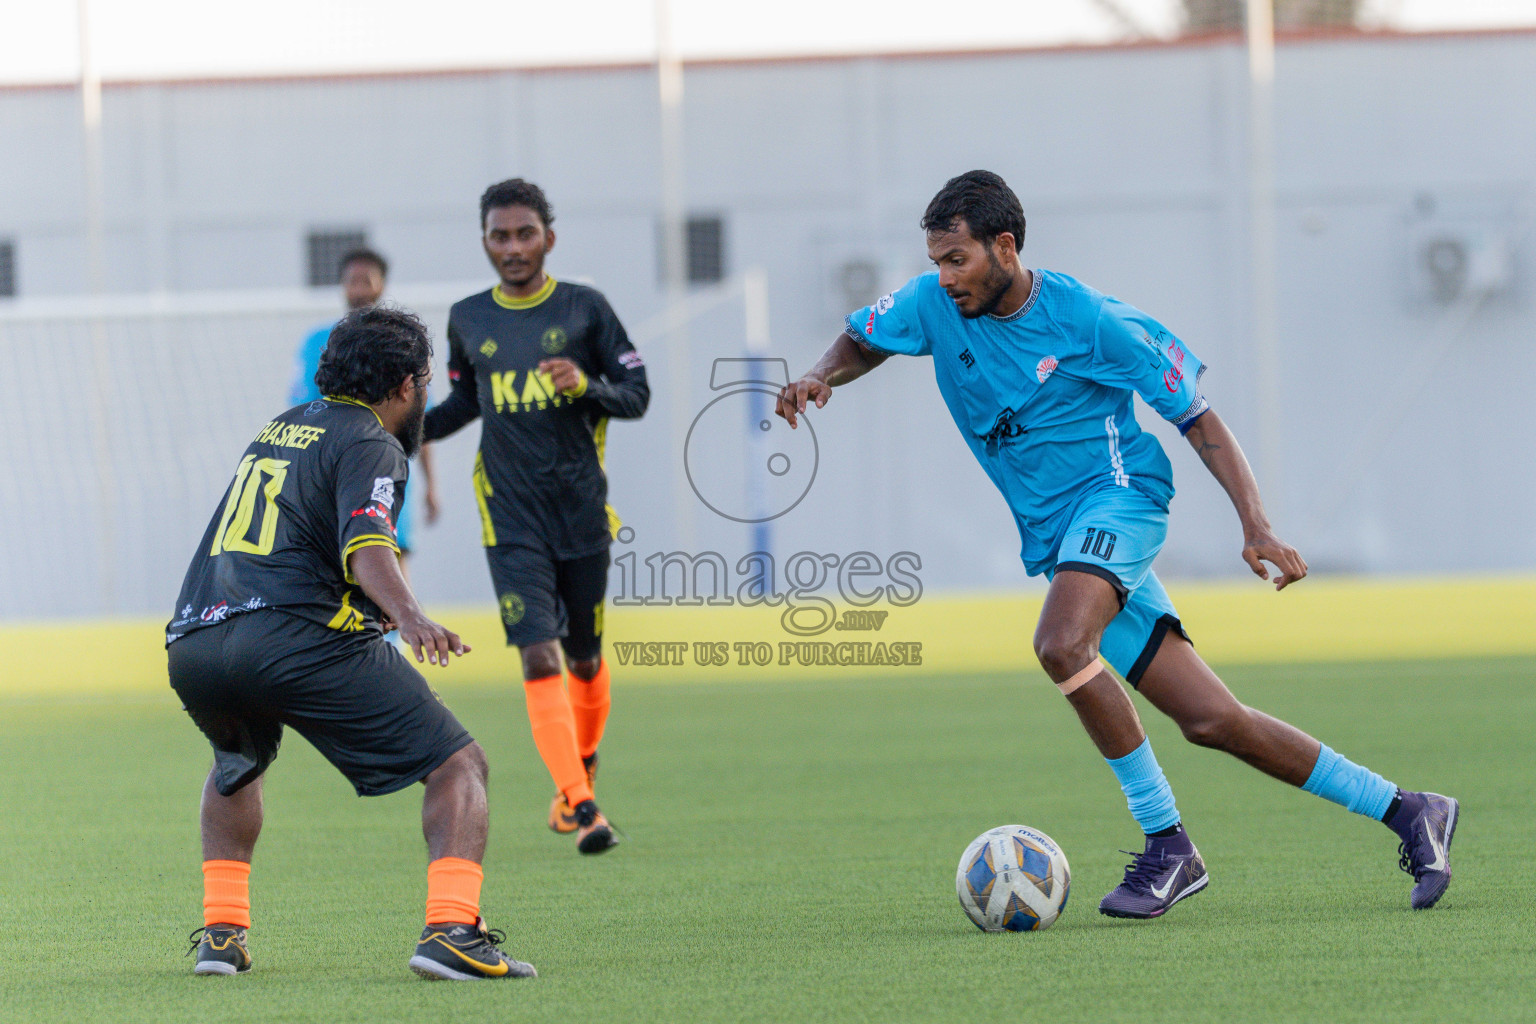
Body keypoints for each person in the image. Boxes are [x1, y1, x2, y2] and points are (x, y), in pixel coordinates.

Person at [776, 170, 1458, 918]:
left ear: (1005, 246)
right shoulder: (931, 304)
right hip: (1061, 538)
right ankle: (1408, 811)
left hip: (1122, 498)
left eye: (957, 260)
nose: (943, 278)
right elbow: (865, 337)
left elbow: (1199, 419)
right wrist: (819, 373)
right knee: (1212, 720)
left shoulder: (1090, 320)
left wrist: (1256, 524)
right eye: (937, 260)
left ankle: (1170, 846)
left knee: (1062, 645)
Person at [167, 306, 535, 979]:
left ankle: (222, 934)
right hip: (287, 637)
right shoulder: (373, 440)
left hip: (194, 640)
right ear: (404, 387)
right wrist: (411, 614)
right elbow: (366, 546)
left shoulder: (281, 427)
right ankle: (453, 930)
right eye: (422, 381)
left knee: (236, 763)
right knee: (460, 765)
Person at [424, 179, 650, 855]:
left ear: (549, 237)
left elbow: (637, 394)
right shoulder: (469, 318)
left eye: (525, 233)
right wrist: (402, 430)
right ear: (486, 241)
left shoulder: (587, 310)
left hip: (580, 511)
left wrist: (588, 387)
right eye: (500, 235)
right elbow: (468, 405)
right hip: (509, 514)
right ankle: (583, 807)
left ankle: (577, 773)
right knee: (538, 652)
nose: (513, 247)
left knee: (584, 659)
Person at [291, 247, 440, 579]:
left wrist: (432, 485)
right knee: (339, 561)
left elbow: (420, 421)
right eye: (351, 281)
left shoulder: (403, 344)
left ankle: (398, 630)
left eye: (366, 281)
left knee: (392, 560)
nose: (358, 290)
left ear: (382, 285)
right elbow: (304, 409)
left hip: (388, 470)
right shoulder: (320, 341)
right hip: (335, 474)